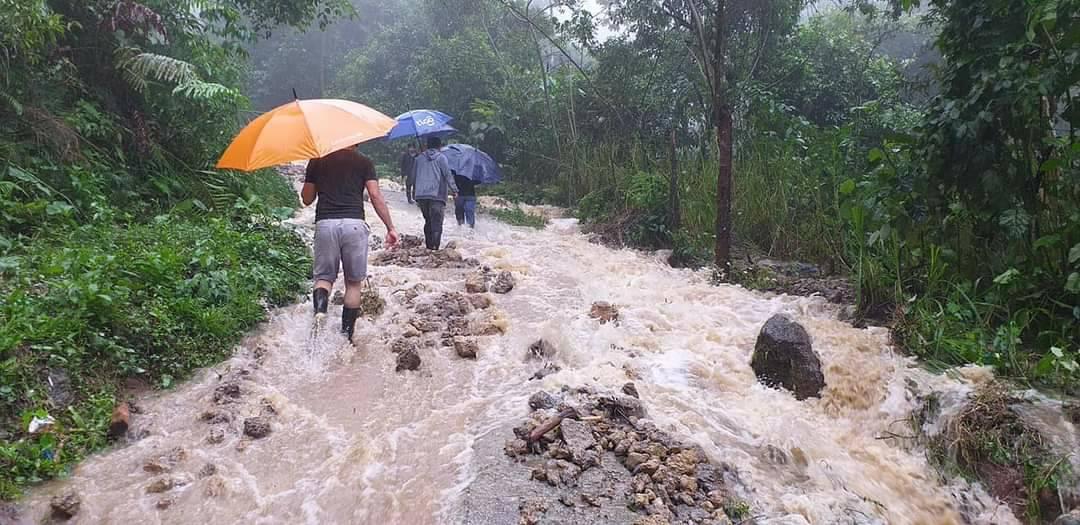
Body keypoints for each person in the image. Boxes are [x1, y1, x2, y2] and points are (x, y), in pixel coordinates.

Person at [301, 145, 399, 340]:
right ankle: (346, 336)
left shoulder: (317, 161)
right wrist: (390, 227)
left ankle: (320, 311)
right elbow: (375, 196)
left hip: (326, 224)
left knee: (323, 278)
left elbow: (307, 199)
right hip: (354, 224)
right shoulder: (364, 162)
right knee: (353, 283)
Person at [413, 136, 458, 250]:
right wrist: (454, 190)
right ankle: (435, 249)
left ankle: (428, 247)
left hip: (421, 195)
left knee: (428, 221)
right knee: (437, 223)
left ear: (427, 145)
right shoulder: (441, 158)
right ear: (439, 146)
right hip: (436, 195)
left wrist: (414, 192)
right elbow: (447, 175)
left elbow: (413, 177)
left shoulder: (418, 158)